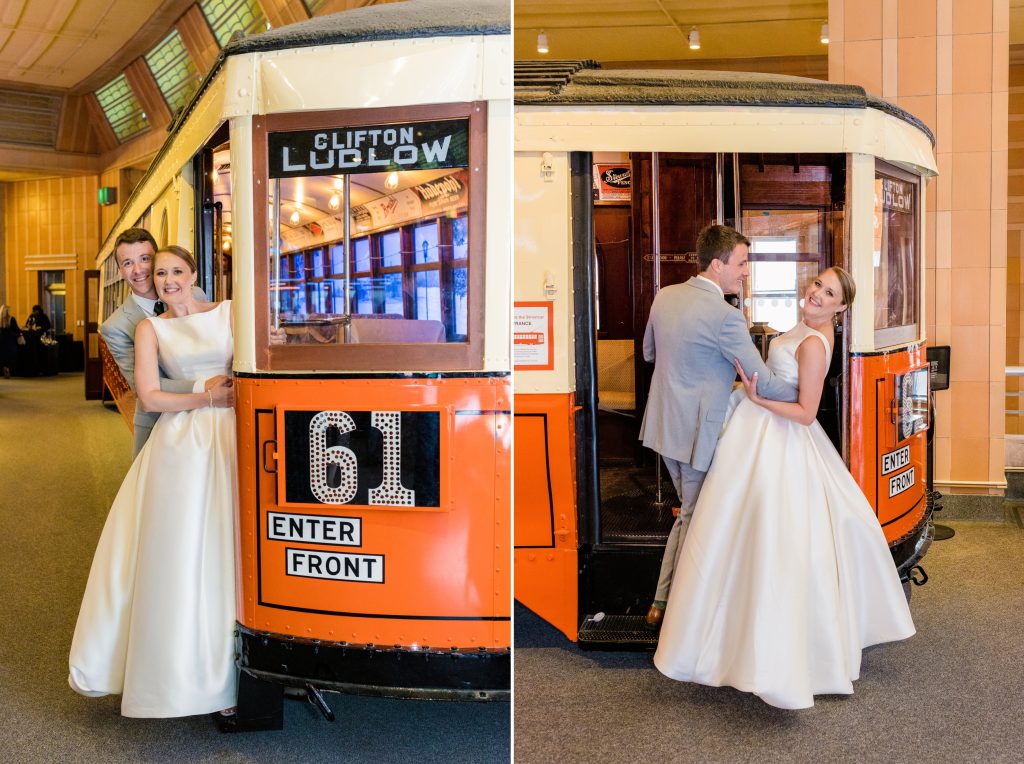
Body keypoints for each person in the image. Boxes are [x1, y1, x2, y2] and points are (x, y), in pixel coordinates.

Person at [653, 267, 915, 710]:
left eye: (828, 292)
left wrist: (757, 399)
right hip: (758, 432)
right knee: (737, 531)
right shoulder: (800, 328)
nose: (816, 293)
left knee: (769, 536)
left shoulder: (814, 343)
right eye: (817, 284)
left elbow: (806, 413)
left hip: (782, 437)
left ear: (841, 306)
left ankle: (766, 653)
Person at [69, 245, 237, 718]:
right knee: (182, 550)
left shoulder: (228, 312)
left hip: (231, 440)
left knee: (230, 546)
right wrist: (207, 397)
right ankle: (183, 673)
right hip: (181, 443)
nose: (166, 279)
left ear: (194, 273)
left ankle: (236, 666)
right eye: (158, 272)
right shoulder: (146, 328)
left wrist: (227, 397)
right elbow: (149, 396)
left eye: (175, 271)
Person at [639, 224, 797, 628]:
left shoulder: (665, 296)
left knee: (691, 511)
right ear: (717, 264)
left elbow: (649, 353)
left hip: (661, 426)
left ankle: (672, 602)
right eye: (742, 263)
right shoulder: (726, 317)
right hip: (696, 433)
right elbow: (760, 381)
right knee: (694, 514)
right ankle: (666, 605)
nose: (745, 272)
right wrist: (803, 393)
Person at [99, 228, 223, 457]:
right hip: (159, 419)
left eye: (145, 259)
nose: (138, 270)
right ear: (120, 271)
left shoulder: (194, 293)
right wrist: (205, 387)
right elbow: (143, 387)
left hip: (214, 416)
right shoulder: (115, 327)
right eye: (128, 263)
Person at [0, 305, 22, 378]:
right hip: (10, 341)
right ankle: (8, 368)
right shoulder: (11, 319)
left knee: (3, 356)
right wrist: (19, 333)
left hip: (2, 341)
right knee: (11, 356)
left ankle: (4, 367)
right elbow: (17, 330)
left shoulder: (0, 319)